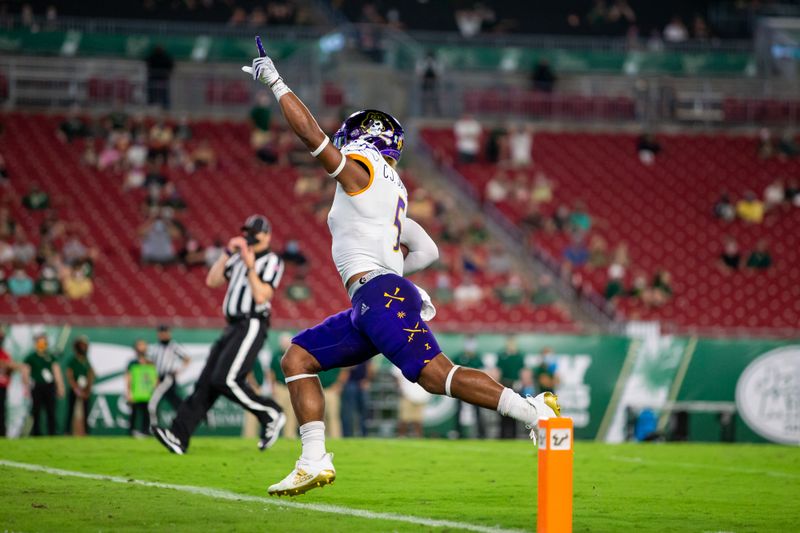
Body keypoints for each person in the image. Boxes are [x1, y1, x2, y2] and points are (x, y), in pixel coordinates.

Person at [242, 38, 559, 497]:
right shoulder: (395, 186)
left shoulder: (363, 167)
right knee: (298, 358)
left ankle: (534, 412)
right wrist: (399, 279)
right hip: (373, 298)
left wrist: (275, 81)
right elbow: (426, 248)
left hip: (375, 293)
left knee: (436, 375)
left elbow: (313, 138)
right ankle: (313, 460)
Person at [153, 214, 286, 455]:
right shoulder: (236, 258)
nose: (249, 237)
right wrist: (227, 252)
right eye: (247, 232)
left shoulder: (271, 260)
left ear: (267, 236)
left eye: (254, 233)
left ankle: (270, 413)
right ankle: (178, 436)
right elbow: (212, 280)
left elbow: (261, 296)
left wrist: (249, 266)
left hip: (252, 323)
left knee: (226, 379)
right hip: (233, 326)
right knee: (206, 382)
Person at [147, 325, 190, 428]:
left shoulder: (174, 346)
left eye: (165, 332)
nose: (163, 335)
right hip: (159, 377)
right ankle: (188, 417)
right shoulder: (155, 347)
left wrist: (179, 370)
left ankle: (154, 427)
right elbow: (151, 363)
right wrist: (154, 377)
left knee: (153, 402)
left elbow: (187, 359)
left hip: (168, 377)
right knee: (174, 401)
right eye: (161, 333)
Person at [24, 333, 64, 436]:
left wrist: (60, 386)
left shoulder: (50, 356)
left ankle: (52, 433)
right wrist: (26, 387)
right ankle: (36, 433)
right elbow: (26, 373)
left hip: (49, 386)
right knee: (36, 411)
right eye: (40, 342)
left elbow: (56, 372)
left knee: (51, 411)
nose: (42, 344)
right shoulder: (31, 357)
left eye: (44, 342)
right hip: (37, 386)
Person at [1, 325, 29, 437]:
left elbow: (11, 369)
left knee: (2, 412)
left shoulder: (5, 354)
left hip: (2, 387)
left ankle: (2, 434)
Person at [127, 340, 157, 437]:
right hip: (136, 392)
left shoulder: (151, 363)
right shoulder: (132, 363)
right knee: (134, 413)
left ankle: (145, 432)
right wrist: (129, 392)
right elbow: (128, 378)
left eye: (144, 345)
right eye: (140, 345)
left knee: (147, 414)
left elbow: (155, 377)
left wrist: (155, 389)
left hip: (148, 393)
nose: (142, 347)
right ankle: (132, 432)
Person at [65, 335, 94, 435]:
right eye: (82, 345)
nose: (84, 347)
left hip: (85, 389)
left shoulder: (87, 361)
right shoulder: (73, 360)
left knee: (86, 412)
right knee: (71, 411)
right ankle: (68, 432)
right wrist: (76, 388)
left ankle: (86, 432)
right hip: (75, 390)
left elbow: (91, 373)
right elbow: (69, 375)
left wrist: (88, 389)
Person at [340, 361, 373, 438]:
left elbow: (370, 368)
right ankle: (348, 435)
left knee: (363, 413)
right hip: (350, 383)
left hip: (361, 383)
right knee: (348, 413)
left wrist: (367, 380)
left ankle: (362, 435)